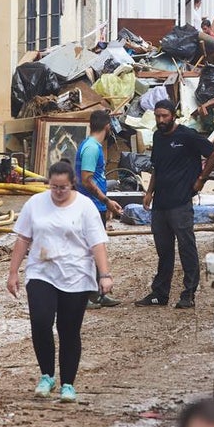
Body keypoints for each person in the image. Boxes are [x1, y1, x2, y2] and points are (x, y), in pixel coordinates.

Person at [7, 161, 113, 402]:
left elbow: (97, 243)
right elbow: (23, 238)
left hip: (75, 274)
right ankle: (46, 375)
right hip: (41, 271)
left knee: (68, 330)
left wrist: (105, 274)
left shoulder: (85, 207)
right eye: (53, 187)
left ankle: (68, 383)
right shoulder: (35, 204)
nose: (57, 192)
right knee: (41, 322)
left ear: (72, 185)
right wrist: (13, 272)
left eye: (63, 187)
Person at [138, 100, 214, 309]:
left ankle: (189, 293)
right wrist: (149, 192)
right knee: (164, 250)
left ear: (173, 115)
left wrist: (201, 179)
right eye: (157, 116)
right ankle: (160, 293)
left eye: (164, 116)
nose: (160, 120)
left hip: (181, 202)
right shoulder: (158, 136)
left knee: (187, 248)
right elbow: (157, 167)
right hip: (160, 204)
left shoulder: (187, 136)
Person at [76, 110, 123, 309]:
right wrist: (106, 200)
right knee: (88, 251)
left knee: (96, 250)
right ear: (107, 127)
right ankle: (84, 296)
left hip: (97, 205)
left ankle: (98, 293)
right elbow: (86, 179)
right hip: (90, 207)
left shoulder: (92, 146)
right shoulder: (92, 148)